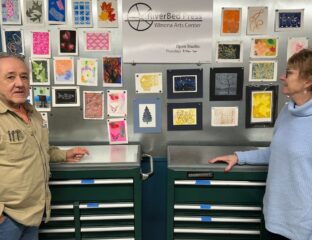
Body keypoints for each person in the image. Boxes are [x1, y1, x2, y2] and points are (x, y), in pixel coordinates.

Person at [208, 48, 312, 240]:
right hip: (273, 220)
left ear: (308, 81)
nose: (283, 77)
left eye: (289, 73)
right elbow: (276, 152)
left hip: (302, 229)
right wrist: (239, 157)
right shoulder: (288, 112)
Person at [0, 53, 89, 240]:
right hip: (7, 220)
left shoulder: (32, 113)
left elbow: (40, 150)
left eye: (24, 76)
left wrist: (65, 155)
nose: (19, 83)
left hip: (32, 215)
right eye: (10, 77)